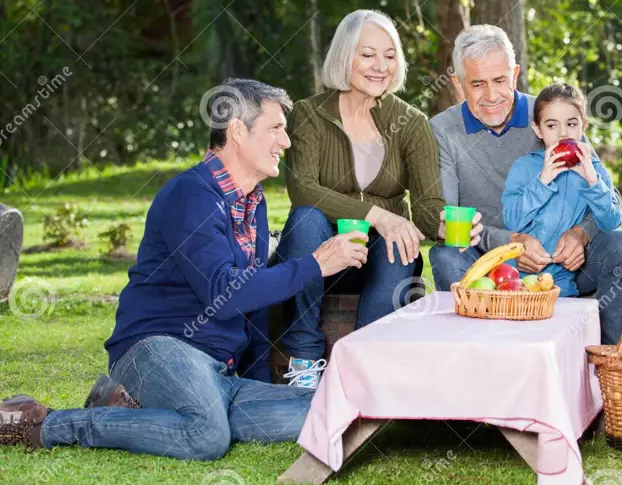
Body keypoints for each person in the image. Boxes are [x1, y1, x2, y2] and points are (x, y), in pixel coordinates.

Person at [0, 79, 366, 458]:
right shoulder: (191, 194)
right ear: (238, 131)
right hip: (158, 349)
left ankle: (138, 410)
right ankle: (46, 423)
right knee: (207, 436)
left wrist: (255, 383)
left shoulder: (251, 203)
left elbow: (251, 308)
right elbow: (225, 295)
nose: (286, 142)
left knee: (320, 410)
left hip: (219, 374)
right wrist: (314, 265)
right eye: (275, 128)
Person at [275, 10, 481, 388]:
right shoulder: (309, 114)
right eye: (367, 54)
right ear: (344, 57)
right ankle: (303, 361)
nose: (380, 66)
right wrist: (377, 215)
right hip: (320, 256)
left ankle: (360, 367)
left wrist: (439, 223)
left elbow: (424, 205)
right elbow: (302, 188)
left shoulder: (411, 122)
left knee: (397, 243)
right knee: (306, 217)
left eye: (389, 55)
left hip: (379, 261)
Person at [430, 25, 622, 346]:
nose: (491, 96)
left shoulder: (551, 114)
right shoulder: (442, 130)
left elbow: (606, 195)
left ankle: (613, 362)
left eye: (500, 80)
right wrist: (512, 244)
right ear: (459, 85)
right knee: (446, 255)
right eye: (477, 84)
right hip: (490, 263)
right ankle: (482, 358)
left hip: (563, 261)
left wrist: (581, 233)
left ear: (514, 74)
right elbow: (451, 219)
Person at [502, 83, 622, 296]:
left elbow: (611, 221)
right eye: (551, 126)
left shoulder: (593, 170)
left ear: (583, 125)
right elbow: (512, 220)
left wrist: (594, 183)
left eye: (571, 123)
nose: (563, 133)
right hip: (517, 275)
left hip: (562, 280)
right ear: (537, 129)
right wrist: (543, 181)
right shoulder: (524, 167)